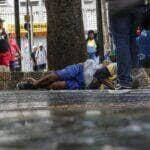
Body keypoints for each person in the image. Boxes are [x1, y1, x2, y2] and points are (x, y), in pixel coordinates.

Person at [106, 0, 148, 89]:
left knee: (122, 42)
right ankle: (135, 75)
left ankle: (125, 80)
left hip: (119, 8)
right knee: (132, 40)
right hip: (138, 8)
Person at [17, 59, 114, 90]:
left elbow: (97, 83)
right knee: (54, 76)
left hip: (83, 84)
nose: (107, 63)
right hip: (79, 69)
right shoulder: (98, 64)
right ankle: (34, 84)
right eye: (107, 62)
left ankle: (33, 84)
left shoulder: (112, 78)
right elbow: (100, 74)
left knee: (55, 85)